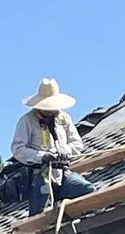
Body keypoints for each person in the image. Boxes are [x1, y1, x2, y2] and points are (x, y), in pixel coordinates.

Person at [11, 78, 96, 216]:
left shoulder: (64, 118)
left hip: (62, 174)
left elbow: (77, 144)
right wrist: (42, 156)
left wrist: (65, 151)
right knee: (40, 217)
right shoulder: (27, 121)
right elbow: (18, 149)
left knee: (88, 191)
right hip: (40, 176)